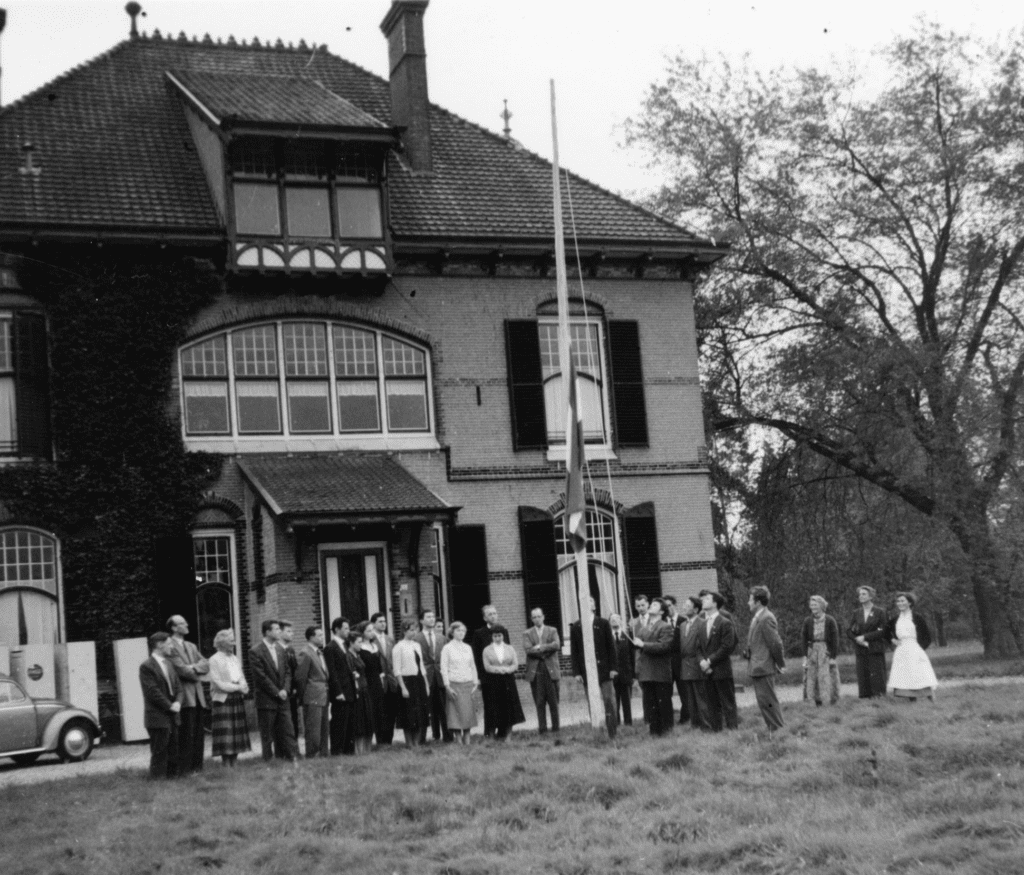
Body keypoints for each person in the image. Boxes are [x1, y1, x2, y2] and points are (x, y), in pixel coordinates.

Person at [165, 614, 209, 775]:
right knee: (186, 735)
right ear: (173, 628)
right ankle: (185, 770)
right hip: (184, 697)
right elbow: (181, 670)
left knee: (198, 734)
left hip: (198, 697)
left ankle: (198, 768)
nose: (186, 625)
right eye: (182, 623)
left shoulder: (191, 646)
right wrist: (196, 671)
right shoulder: (169, 646)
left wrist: (193, 667)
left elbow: (206, 664)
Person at [249, 618, 298, 762]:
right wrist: (277, 692)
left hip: (283, 698)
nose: (279, 631)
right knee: (267, 734)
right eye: (276, 629)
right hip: (266, 698)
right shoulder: (255, 651)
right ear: (267, 632)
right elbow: (260, 676)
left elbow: (288, 672)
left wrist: (286, 690)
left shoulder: (280, 650)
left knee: (288, 729)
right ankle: (268, 761)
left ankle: (292, 758)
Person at [570, 597, 619, 737]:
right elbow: (574, 651)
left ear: (594, 606)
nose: (587, 603)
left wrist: (613, 668)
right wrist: (576, 672)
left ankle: (612, 732)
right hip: (587, 671)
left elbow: (611, 647)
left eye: (590, 601)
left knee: (609, 700)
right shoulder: (576, 626)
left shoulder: (603, 623)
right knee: (592, 702)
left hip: (604, 670)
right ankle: (598, 732)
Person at [139, 631, 183, 779]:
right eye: (169, 644)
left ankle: (173, 780)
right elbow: (152, 692)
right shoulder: (146, 666)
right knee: (160, 751)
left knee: (174, 750)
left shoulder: (169, 664)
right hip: (157, 716)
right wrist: (170, 706)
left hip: (173, 715)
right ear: (159, 645)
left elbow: (179, 688)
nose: (172, 647)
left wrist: (178, 702)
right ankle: (157, 781)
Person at [630, 597, 675, 736]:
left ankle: (667, 732)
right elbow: (637, 643)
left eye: (655, 605)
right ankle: (654, 732)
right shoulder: (645, 627)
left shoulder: (665, 626)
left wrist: (643, 644)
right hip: (647, 672)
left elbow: (664, 646)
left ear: (661, 611)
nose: (651, 606)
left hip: (660, 672)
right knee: (651, 704)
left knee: (663, 703)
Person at [207, 628, 251, 766]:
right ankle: (226, 763)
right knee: (226, 731)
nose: (234, 644)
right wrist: (237, 688)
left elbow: (241, 676)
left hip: (236, 698)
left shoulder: (234, 658)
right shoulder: (214, 659)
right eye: (231, 641)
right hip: (222, 699)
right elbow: (217, 683)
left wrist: (244, 687)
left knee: (237, 731)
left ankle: (234, 762)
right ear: (222, 643)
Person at [885, 592, 938, 701]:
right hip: (901, 650)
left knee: (920, 672)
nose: (900, 603)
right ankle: (911, 699)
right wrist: (892, 640)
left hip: (915, 648)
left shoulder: (917, 617)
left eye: (902, 601)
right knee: (905, 674)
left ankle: (930, 697)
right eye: (898, 601)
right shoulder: (895, 619)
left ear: (909, 603)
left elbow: (927, 637)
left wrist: (919, 649)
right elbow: (884, 631)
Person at [746, 587, 786, 730]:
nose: (748, 603)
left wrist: (780, 664)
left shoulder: (766, 618)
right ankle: (773, 729)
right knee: (764, 701)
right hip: (757, 666)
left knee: (768, 701)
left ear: (758, 602)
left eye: (750, 600)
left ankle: (778, 729)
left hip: (764, 666)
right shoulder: (759, 617)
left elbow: (775, 643)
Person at [698, 591, 738, 730]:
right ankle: (716, 730)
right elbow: (698, 647)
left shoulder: (725, 623)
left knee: (727, 702)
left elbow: (726, 647)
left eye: (707, 599)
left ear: (715, 603)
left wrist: (709, 661)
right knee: (711, 703)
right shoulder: (702, 624)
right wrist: (702, 661)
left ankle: (732, 730)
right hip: (706, 671)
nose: (703, 600)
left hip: (721, 669)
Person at [472, 604, 509, 738]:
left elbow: (507, 651)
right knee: (490, 705)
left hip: (502, 675)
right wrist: (479, 678)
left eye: (494, 613)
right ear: (484, 618)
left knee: (503, 703)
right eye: (490, 614)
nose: (493, 616)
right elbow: (476, 657)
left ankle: (503, 732)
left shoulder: (504, 631)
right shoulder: (479, 633)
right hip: (487, 676)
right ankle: (490, 733)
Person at [523, 607, 561, 734]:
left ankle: (556, 728)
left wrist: (540, 647)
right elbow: (528, 650)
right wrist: (547, 650)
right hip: (536, 670)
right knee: (539, 701)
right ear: (531, 619)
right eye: (534, 617)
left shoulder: (552, 630)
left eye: (539, 616)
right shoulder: (527, 633)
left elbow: (556, 645)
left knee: (554, 701)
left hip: (551, 669)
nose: (537, 619)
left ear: (543, 617)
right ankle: (542, 729)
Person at [440, 621, 479, 744]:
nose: (461, 633)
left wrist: (475, 682)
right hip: (454, 684)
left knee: (467, 712)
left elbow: (472, 666)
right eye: (458, 630)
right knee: (455, 713)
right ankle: (458, 738)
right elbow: (444, 668)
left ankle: (467, 737)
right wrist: (447, 686)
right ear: (452, 632)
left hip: (468, 683)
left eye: (463, 631)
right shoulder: (447, 648)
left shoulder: (467, 647)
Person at [482, 626, 524, 739]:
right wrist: (498, 670)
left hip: (508, 681)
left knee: (509, 707)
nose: (497, 638)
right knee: (494, 707)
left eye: (499, 635)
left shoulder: (510, 648)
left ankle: (508, 735)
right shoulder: (487, 650)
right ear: (492, 637)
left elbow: (515, 664)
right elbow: (487, 666)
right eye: (495, 636)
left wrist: (507, 670)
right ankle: (491, 735)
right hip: (493, 681)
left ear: (503, 636)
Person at [294, 625, 330, 758]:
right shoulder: (305, 653)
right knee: (313, 728)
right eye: (319, 635)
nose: (322, 637)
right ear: (311, 637)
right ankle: (312, 754)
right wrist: (303, 696)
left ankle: (324, 753)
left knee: (323, 727)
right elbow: (301, 677)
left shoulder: (319, 652)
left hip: (323, 694)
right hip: (312, 695)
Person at [416, 609, 451, 742]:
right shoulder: (416, 639)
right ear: (421, 620)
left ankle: (448, 737)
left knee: (444, 707)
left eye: (433, 617)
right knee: (424, 708)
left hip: (440, 676)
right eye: (428, 617)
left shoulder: (442, 638)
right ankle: (421, 739)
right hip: (425, 677)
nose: (432, 619)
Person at [393, 619, 430, 745]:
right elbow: (397, 670)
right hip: (407, 681)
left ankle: (417, 743)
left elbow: (421, 667)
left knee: (419, 712)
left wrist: (426, 684)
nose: (414, 633)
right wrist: (403, 687)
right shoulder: (398, 647)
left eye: (415, 630)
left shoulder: (416, 645)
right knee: (408, 713)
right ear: (404, 631)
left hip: (418, 680)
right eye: (411, 630)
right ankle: (409, 743)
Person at [677, 596, 712, 730]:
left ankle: (706, 725)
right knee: (690, 698)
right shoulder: (682, 625)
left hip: (697, 664)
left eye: (688, 606)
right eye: (684, 605)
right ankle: (695, 724)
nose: (684, 608)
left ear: (696, 609)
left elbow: (703, 646)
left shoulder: (702, 623)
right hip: (685, 665)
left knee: (701, 697)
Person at [848, 585, 888, 698]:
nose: (861, 596)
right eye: (859, 594)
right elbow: (849, 630)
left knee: (877, 675)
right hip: (860, 648)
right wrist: (856, 639)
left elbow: (883, 631)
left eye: (864, 594)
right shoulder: (856, 612)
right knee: (862, 674)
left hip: (875, 647)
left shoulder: (880, 612)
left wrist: (865, 637)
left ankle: (879, 697)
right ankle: (864, 698)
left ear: (871, 596)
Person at [802, 595, 840, 706]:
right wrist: (805, 655)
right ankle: (812, 701)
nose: (813, 607)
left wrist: (833, 656)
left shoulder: (830, 620)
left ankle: (828, 701)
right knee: (811, 677)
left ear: (822, 606)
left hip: (825, 650)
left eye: (815, 605)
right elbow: (804, 638)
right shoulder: (808, 621)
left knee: (825, 676)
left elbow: (835, 639)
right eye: (811, 605)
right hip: (812, 650)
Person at [325, 617, 354, 755]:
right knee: (339, 723)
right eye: (345, 628)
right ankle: (337, 751)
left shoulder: (345, 645)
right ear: (337, 629)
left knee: (349, 722)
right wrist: (338, 692)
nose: (348, 631)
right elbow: (332, 672)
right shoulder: (330, 647)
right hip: (340, 692)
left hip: (349, 690)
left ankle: (349, 751)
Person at [355, 620, 386, 746]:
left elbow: (379, 667)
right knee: (369, 710)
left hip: (377, 681)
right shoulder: (360, 648)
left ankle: (380, 741)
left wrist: (382, 680)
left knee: (379, 710)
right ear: (362, 632)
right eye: (368, 630)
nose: (371, 632)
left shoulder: (374, 646)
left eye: (372, 630)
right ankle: (368, 741)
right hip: (367, 682)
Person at [345, 632, 373, 754]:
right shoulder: (348, 656)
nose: (361, 644)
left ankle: (367, 750)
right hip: (357, 691)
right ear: (351, 643)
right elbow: (351, 673)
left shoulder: (358, 655)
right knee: (359, 722)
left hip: (364, 689)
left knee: (367, 721)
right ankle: (358, 751)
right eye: (359, 642)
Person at [662, 595, 688, 725]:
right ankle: (668, 719)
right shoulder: (662, 622)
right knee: (666, 692)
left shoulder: (683, 621)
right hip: (666, 662)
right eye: (665, 607)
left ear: (674, 605)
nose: (668, 609)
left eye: (669, 605)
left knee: (684, 691)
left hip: (680, 661)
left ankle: (685, 718)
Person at [609, 613, 635, 726]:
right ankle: (617, 723)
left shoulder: (627, 636)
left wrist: (633, 674)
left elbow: (632, 656)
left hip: (626, 674)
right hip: (612, 675)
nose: (614, 620)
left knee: (626, 701)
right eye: (612, 619)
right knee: (614, 701)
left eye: (617, 618)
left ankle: (628, 723)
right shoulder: (607, 637)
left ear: (621, 621)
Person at [279, 620, 300, 748]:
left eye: (292, 631)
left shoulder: (291, 649)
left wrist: (296, 687)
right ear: (280, 632)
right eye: (288, 631)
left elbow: (295, 669)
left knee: (294, 719)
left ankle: (295, 747)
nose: (292, 634)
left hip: (292, 692)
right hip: (282, 691)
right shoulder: (277, 649)